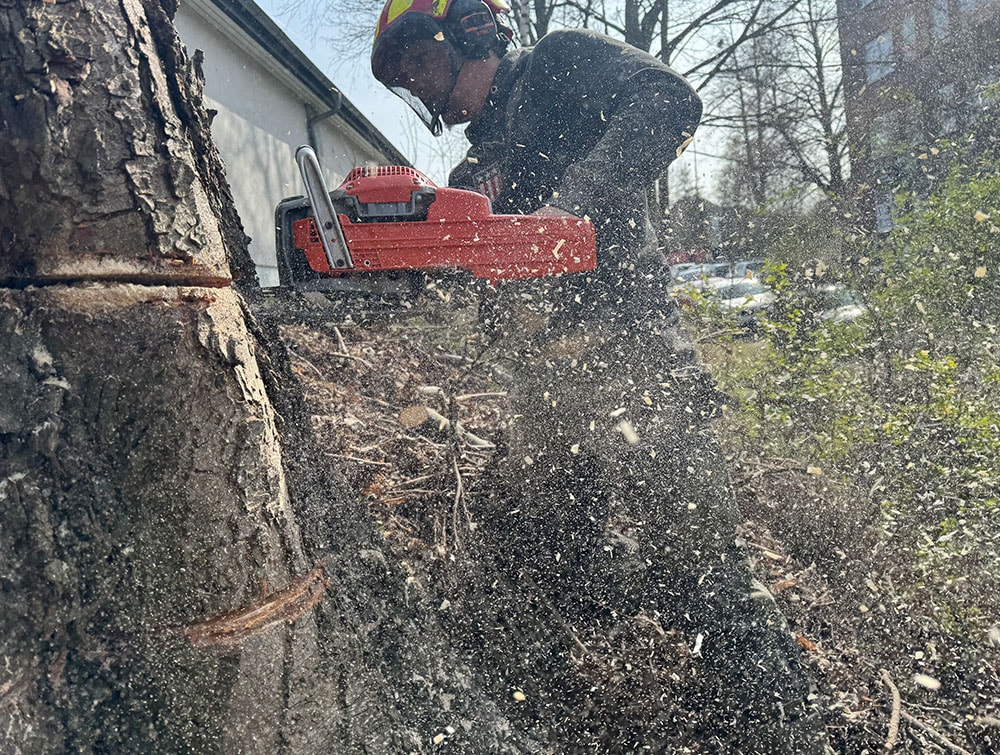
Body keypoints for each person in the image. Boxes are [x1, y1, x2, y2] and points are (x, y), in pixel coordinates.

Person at [372, 2, 830, 752]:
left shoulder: (557, 66)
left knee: (702, 572)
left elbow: (671, 100)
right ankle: (559, 722)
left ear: (464, 33)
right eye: (401, 78)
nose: (414, 83)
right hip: (549, 405)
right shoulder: (471, 170)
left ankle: (778, 731)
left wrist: (568, 205)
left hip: (639, 367)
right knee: (542, 564)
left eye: (415, 62)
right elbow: (462, 282)